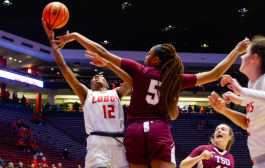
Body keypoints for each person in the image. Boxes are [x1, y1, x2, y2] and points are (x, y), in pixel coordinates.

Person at [53, 28, 249, 168]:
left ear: (155, 60)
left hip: (135, 132)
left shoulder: (140, 71)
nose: (145, 57)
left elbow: (103, 51)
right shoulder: (175, 79)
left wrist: (76, 36)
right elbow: (215, 74)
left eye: (148, 54)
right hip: (158, 131)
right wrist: (235, 51)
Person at [43, 19, 132, 168]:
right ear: (89, 85)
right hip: (97, 142)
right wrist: (52, 40)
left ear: (107, 83)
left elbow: (132, 79)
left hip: (119, 143)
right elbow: (63, 66)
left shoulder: (117, 92)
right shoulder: (87, 94)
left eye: (100, 76)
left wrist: (109, 64)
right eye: (93, 78)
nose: (96, 77)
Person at [209, 36, 265, 167]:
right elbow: (249, 124)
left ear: (254, 58)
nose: (241, 57)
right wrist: (225, 110)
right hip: (264, 161)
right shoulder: (255, 85)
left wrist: (242, 92)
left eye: (246, 54)